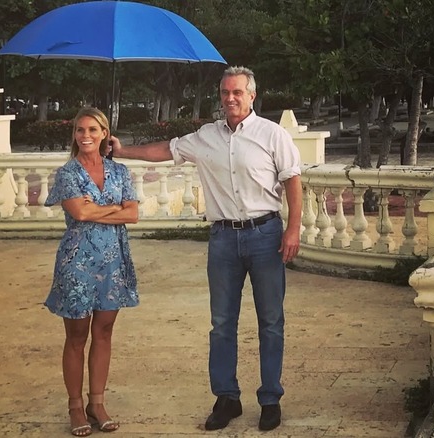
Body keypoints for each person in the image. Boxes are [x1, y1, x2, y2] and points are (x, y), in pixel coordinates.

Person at [110, 65, 302, 431]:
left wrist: (293, 228)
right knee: (221, 323)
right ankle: (227, 398)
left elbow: (293, 181)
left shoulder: (272, 135)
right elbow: (165, 150)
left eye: (237, 93)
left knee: (271, 322)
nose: (230, 98)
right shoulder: (205, 137)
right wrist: (123, 150)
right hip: (223, 239)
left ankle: (270, 398)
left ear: (251, 95)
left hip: (265, 235)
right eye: (225, 93)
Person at [44, 107, 140, 436]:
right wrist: (115, 207)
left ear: (104, 134)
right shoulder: (68, 173)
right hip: (77, 262)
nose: (85, 136)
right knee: (76, 338)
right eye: (80, 130)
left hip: (112, 262)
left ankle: (96, 403)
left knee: (104, 333)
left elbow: (133, 215)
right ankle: (75, 406)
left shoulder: (120, 171)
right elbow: (79, 215)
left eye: (92, 130)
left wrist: (99, 208)